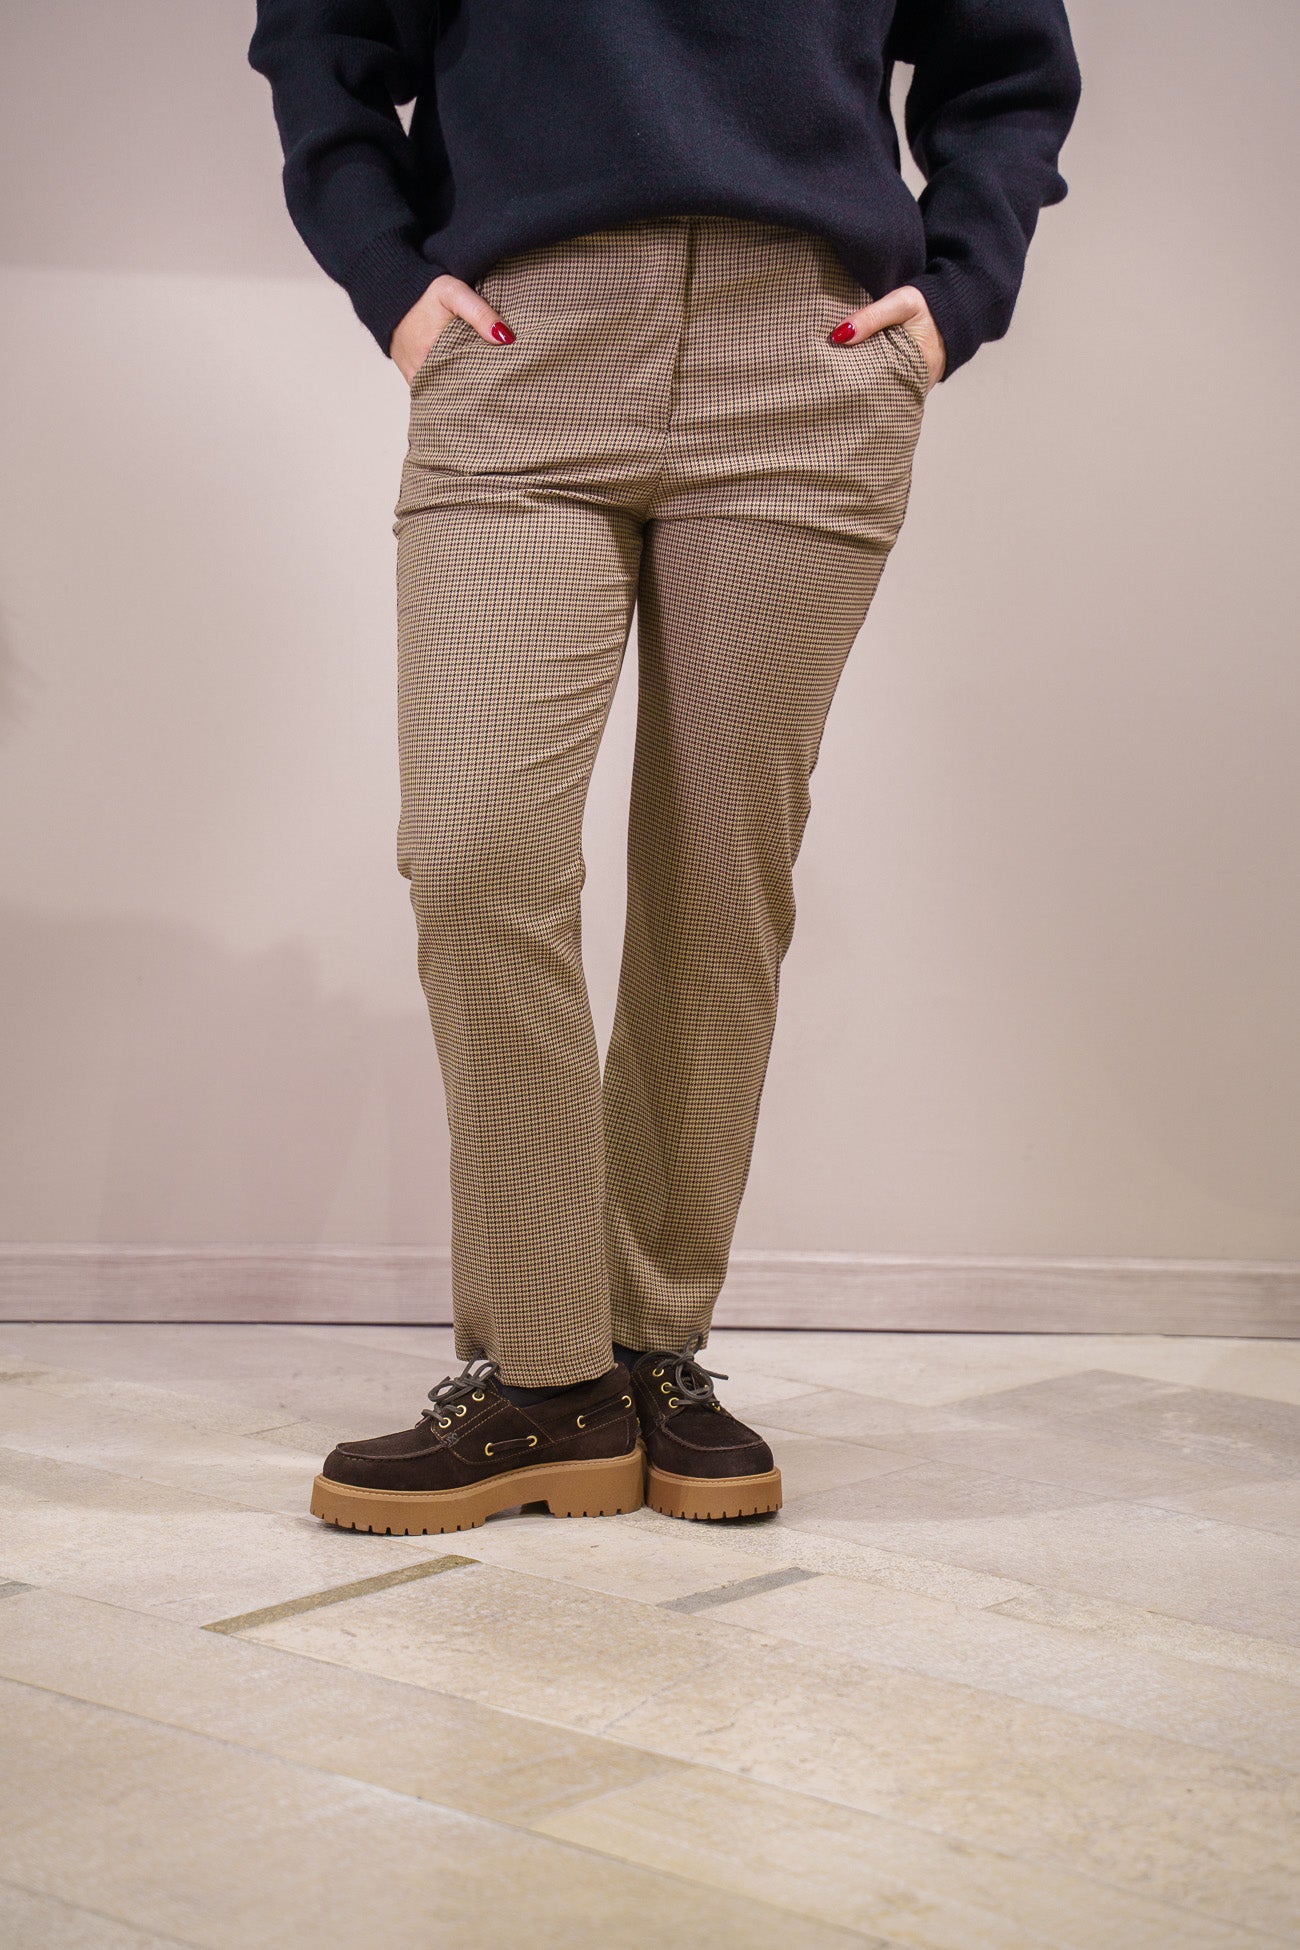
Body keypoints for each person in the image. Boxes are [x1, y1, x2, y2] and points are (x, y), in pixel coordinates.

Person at [248, 0, 1081, 1536]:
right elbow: (322, 33)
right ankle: (547, 1374)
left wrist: (957, 295)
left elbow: (1009, 66)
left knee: (717, 876)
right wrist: (392, 281)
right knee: (477, 849)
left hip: (805, 351)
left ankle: (649, 1348)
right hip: (527, 341)